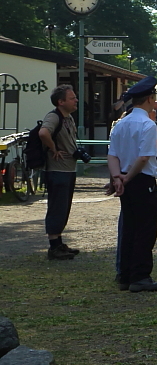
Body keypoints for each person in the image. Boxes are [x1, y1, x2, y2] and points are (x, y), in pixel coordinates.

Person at [106, 76, 157, 293]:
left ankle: (124, 274)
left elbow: (112, 155)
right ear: (150, 99)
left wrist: (117, 179)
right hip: (140, 179)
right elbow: (143, 158)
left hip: (123, 178)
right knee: (145, 228)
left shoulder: (120, 124)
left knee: (128, 226)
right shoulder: (147, 125)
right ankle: (140, 276)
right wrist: (128, 178)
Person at [40, 85, 80, 260]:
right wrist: (54, 149)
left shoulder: (68, 117)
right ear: (60, 102)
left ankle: (59, 243)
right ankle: (54, 247)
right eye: (72, 98)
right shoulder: (53, 116)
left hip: (68, 169)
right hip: (57, 171)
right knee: (57, 207)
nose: (76, 100)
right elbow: (43, 133)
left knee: (64, 208)